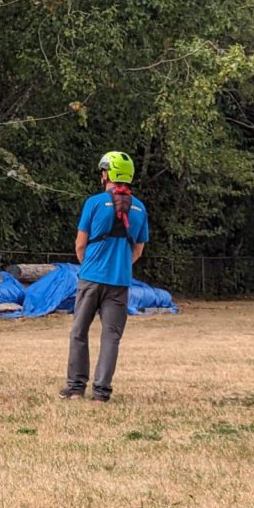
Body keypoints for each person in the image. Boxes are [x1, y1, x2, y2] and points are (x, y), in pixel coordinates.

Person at [61, 151, 149, 403]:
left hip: (91, 278)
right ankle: (101, 393)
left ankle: (76, 388)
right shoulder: (140, 208)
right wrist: (120, 264)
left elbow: (80, 244)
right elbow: (138, 249)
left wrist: (90, 265)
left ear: (108, 174)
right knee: (111, 336)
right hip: (120, 282)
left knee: (79, 331)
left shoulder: (95, 202)